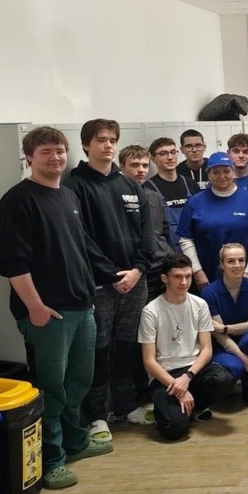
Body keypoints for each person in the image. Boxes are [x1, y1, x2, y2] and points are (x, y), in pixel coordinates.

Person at [0, 127, 115, 490]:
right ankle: (50, 461)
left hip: (81, 308)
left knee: (77, 383)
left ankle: (75, 443)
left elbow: (81, 247)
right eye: (45, 152)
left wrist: (110, 277)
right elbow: (12, 262)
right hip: (49, 314)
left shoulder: (67, 195)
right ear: (29, 157)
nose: (55, 158)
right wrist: (35, 307)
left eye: (59, 151)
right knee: (50, 389)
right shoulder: (18, 200)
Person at [65, 118, 156, 441]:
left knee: (127, 347)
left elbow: (147, 234)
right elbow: (80, 237)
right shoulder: (76, 185)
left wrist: (138, 269)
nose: (108, 145)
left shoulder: (130, 185)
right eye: (101, 140)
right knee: (99, 350)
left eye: (112, 140)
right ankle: (95, 416)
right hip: (100, 284)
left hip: (135, 280)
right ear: (86, 145)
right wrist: (110, 273)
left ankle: (126, 406)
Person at [138, 254, 234, 440]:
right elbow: (149, 361)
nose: (184, 282)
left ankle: (195, 406)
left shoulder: (199, 304)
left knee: (224, 379)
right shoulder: (151, 311)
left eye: (188, 276)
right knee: (174, 430)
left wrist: (187, 377)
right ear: (164, 278)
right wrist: (178, 388)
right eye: (177, 277)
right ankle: (175, 410)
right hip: (165, 375)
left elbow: (207, 350)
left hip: (193, 370)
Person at [176, 152, 248, 288]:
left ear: (233, 172)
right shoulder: (195, 202)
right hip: (207, 276)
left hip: (242, 275)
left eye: (226, 171)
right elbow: (185, 239)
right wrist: (197, 272)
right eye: (216, 172)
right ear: (209, 175)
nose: (222, 176)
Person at [201, 244, 248, 406]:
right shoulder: (209, 293)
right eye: (231, 261)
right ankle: (234, 380)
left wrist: (225, 328)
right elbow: (219, 335)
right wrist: (246, 360)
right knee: (236, 368)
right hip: (222, 345)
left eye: (241, 260)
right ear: (222, 264)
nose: (237, 265)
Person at [119, 145, 173, 303]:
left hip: (161, 264)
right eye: (135, 165)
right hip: (136, 269)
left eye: (145, 165)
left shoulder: (154, 196)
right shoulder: (114, 196)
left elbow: (164, 230)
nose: (141, 170)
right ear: (122, 166)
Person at [145, 136, 196, 251]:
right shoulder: (148, 189)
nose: (170, 157)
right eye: (163, 153)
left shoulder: (190, 184)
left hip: (194, 250)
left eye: (173, 152)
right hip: (168, 253)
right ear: (153, 159)